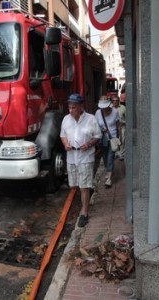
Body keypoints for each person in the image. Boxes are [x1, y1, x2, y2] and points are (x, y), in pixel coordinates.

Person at [60, 93, 101, 228]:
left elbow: (97, 136)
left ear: (81, 106)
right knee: (74, 184)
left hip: (85, 156)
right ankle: (88, 192)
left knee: (83, 186)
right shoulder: (66, 119)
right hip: (72, 156)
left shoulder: (91, 119)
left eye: (74, 108)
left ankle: (84, 213)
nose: (71, 110)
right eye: (69, 107)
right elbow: (63, 135)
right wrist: (65, 144)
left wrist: (88, 144)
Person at [95, 96, 120, 188]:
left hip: (112, 137)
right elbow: (95, 126)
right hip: (102, 138)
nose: (103, 108)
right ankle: (109, 170)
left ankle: (109, 178)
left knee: (110, 156)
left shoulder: (115, 112)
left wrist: (119, 138)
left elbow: (118, 126)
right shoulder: (98, 113)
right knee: (105, 157)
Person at [112, 95, 126, 160]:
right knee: (114, 141)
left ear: (119, 101)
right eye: (113, 101)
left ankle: (121, 155)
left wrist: (123, 122)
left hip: (121, 127)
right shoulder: (110, 108)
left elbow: (127, 118)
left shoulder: (123, 108)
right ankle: (116, 153)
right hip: (113, 127)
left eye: (116, 100)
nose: (115, 102)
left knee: (122, 140)